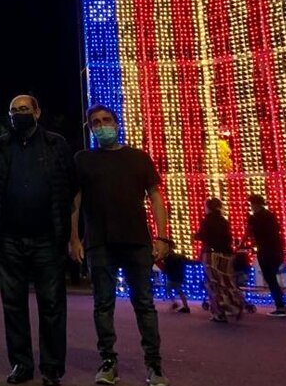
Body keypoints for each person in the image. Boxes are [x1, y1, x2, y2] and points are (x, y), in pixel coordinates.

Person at [70, 104, 171, 386]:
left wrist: (162, 237)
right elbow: (74, 202)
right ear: (90, 129)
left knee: (144, 305)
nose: (102, 126)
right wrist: (74, 238)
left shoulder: (138, 158)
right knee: (103, 305)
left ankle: (154, 365)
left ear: (116, 122)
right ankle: (108, 362)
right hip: (99, 242)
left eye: (106, 120)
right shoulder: (82, 160)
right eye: (95, 123)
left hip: (137, 241)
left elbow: (156, 198)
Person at [0, 95, 74, 386]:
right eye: (14, 110)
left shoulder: (56, 144)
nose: (19, 114)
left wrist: (71, 236)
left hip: (48, 237)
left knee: (52, 305)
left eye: (25, 109)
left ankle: (51, 368)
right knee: (13, 305)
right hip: (9, 238)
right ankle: (21, 364)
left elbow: (69, 189)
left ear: (37, 111)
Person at [193, 197, 243, 322]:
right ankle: (235, 303)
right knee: (227, 281)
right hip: (226, 254)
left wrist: (196, 236)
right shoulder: (224, 221)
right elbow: (229, 238)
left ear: (208, 207)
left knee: (213, 283)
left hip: (211, 254)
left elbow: (204, 236)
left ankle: (219, 312)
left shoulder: (206, 221)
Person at [246, 194, 286, 317]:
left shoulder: (254, 218)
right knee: (272, 278)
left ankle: (280, 306)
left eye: (251, 204)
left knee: (270, 279)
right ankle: (281, 303)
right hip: (276, 250)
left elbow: (249, 233)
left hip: (265, 251)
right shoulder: (270, 215)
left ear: (255, 204)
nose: (251, 207)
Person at [160, 244, 190, 314]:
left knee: (169, 290)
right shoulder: (179, 257)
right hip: (179, 277)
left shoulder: (168, 259)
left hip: (172, 277)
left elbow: (166, 269)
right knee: (179, 291)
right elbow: (186, 261)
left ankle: (175, 303)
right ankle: (185, 306)